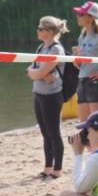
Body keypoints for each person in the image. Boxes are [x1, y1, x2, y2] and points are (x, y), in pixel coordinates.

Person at [27, 16, 69, 179]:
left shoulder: (56, 49)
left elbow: (40, 71)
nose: (37, 31)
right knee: (45, 133)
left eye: (40, 28)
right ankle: (47, 168)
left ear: (50, 31)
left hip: (52, 96)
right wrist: (39, 74)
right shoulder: (41, 48)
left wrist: (38, 74)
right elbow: (31, 70)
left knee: (54, 133)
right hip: (38, 94)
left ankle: (57, 170)